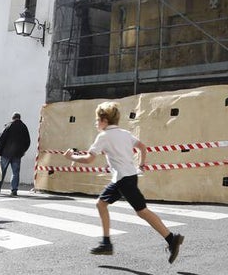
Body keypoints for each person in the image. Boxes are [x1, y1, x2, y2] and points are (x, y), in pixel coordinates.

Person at [64, 102, 184, 262]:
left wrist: (70, 157)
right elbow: (142, 147)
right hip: (128, 176)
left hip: (122, 179)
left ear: (105, 120)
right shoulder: (125, 133)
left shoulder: (104, 136)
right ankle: (107, 243)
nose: (96, 123)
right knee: (103, 204)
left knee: (142, 211)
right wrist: (141, 165)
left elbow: (89, 158)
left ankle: (171, 239)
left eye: (97, 120)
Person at [0, 112, 32, 195]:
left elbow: (1, 138)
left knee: (2, 171)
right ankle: (14, 190)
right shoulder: (24, 127)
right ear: (19, 118)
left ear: (12, 118)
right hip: (17, 154)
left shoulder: (8, 126)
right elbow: (28, 141)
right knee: (15, 172)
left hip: (6, 153)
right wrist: (23, 151)